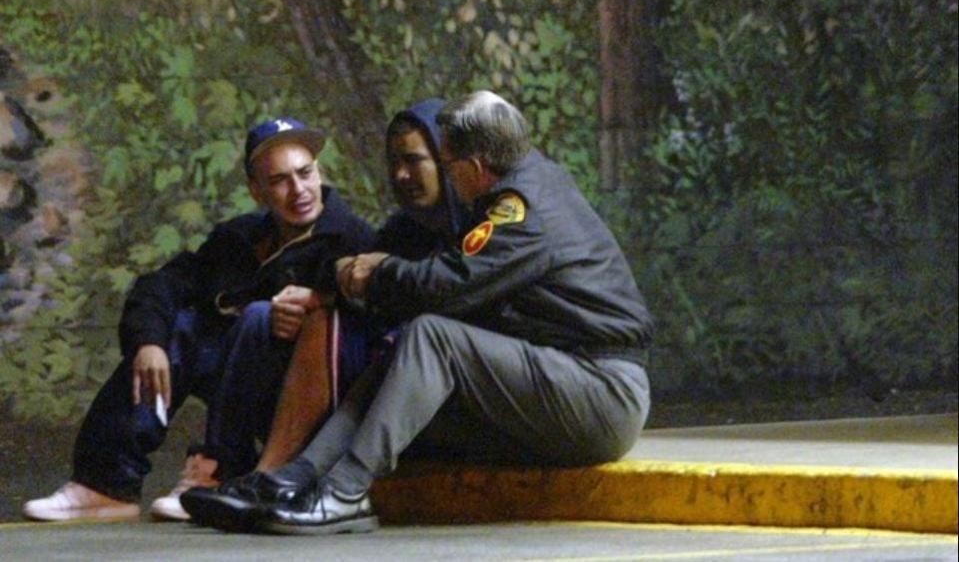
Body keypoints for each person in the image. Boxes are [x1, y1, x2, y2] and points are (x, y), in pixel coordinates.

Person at [187, 90, 654, 535]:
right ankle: (294, 478)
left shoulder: (522, 209)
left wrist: (378, 274)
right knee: (401, 354)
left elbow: (452, 285)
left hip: (600, 391)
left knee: (433, 334)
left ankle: (344, 493)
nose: (444, 177)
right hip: (560, 381)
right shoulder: (526, 185)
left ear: (472, 167)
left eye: (445, 164)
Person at [22, 117, 376, 521]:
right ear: (256, 191)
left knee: (257, 318)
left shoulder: (353, 240)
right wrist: (148, 343)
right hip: (235, 381)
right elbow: (163, 284)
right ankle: (105, 485)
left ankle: (220, 468)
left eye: (305, 173)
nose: (299, 191)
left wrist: (318, 303)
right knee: (173, 330)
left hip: (306, 403)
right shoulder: (238, 238)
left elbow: (376, 318)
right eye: (279, 180)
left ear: (320, 173)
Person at [179, 98, 470, 530]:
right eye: (394, 163)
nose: (401, 175)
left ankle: (267, 477)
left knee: (324, 320)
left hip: (443, 385)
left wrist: (328, 299)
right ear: (256, 190)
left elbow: (444, 302)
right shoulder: (398, 231)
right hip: (381, 378)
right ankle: (225, 468)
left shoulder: (481, 225)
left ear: (448, 161)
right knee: (230, 320)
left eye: (413, 161)